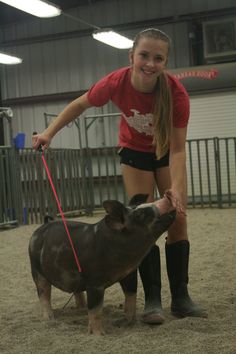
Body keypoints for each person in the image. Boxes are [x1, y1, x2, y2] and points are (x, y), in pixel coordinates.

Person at [32, 28, 207, 324]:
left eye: (158, 58)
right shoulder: (116, 82)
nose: (150, 63)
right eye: (144, 55)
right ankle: (152, 300)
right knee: (143, 224)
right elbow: (79, 105)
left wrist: (176, 188)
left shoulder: (177, 95)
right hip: (134, 152)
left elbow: (178, 152)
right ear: (132, 57)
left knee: (177, 219)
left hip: (165, 152)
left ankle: (181, 297)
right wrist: (50, 132)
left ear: (165, 62)